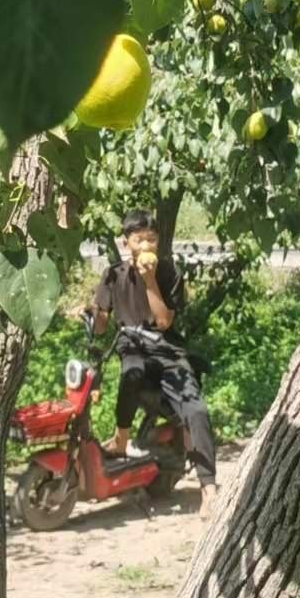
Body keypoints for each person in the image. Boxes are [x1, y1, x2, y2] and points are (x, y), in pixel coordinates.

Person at [89, 209, 218, 520]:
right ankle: (121, 440)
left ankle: (209, 489)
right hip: (133, 347)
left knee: (197, 411)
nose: (145, 245)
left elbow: (163, 321)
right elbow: (100, 327)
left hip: (167, 351)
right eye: (139, 239)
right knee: (131, 372)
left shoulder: (168, 273)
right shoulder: (112, 275)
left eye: (151, 239)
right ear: (126, 242)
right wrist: (96, 314)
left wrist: (149, 280)